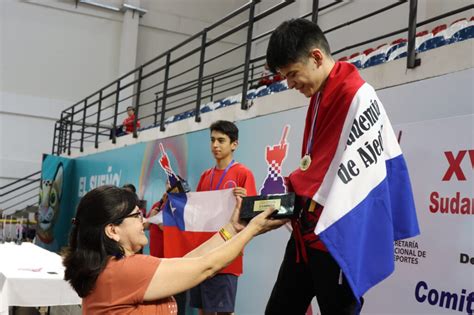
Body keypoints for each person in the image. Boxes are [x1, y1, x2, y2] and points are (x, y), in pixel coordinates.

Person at [264, 18, 372, 314]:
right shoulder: (321, 93)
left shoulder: (355, 95)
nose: (290, 84)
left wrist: (291, 186)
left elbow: (341, 173)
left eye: (293, 74)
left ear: (316, 57)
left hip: (335, 240)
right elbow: (314, 166)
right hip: (307, 236)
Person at [63, 185, 287, 314]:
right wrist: (253, 228)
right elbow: (206, 267)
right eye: (136, 215)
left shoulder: (110, 268)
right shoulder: (124, 270)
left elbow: (189, 262)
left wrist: (233, 229)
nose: (143, 220)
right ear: (112, 230)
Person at [190, 120, 257, 315]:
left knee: (224, 312)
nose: (215, 146)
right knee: (203, 310)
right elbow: (196, 213)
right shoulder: (205, 175)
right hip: (203, 251)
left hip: (227, 254)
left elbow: (250, 216)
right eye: (212, 140)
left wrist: (244, 200)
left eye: (221, 140)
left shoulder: (243, 173)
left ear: (234, 144)